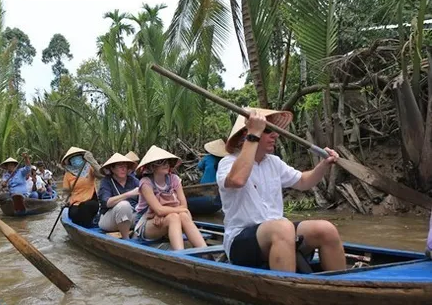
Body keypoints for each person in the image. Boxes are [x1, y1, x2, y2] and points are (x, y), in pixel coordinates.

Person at [217, 108, 346, 273]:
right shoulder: (228, 163)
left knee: (325, 229)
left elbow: (303, 181)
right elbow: (237, 180)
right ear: (246, 134)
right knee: (282, 227)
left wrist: (323, 165)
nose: (275, 135)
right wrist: (254, 134)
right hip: (241, 241)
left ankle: (340, 287)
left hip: (279, 232)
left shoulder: (273, 162)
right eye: (268, 130)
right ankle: (287, 291)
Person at [133, 146, 207, 251]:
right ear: (152, 166)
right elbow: (159, 209)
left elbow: (183, 205)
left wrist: (165, 212)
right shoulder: (146, 183)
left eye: (167, 161)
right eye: (161, 162)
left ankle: (204, 251)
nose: (166, 164)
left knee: (183, 216)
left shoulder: (174, 179)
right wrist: (162, 212)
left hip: (166, 218)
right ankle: (180, 255)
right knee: (175, 216)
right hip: (147, 222)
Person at [98, 153, 139, 238]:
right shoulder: (106, 182)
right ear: (112, 169)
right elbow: (107, 203)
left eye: (125, 167)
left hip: (131, 217)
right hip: (110, 220)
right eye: (120, 167)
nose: (123, 169)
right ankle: (126, 239)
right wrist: (129, 194)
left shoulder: (133, 180)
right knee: (124, 205)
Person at [62, 147, 103, 228]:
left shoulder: (90, 168)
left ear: (82, 158)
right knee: (73, 213)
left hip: (91, 201)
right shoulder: (68, 174)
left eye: (77, 157)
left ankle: (89, 224)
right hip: (75, 203)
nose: (75, 160)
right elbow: (66, 192)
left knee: (87, 207)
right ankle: (85, 224)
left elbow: (102, 175)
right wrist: (64, 201)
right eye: (72, 158)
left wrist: (92, 161)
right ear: (69, 161)